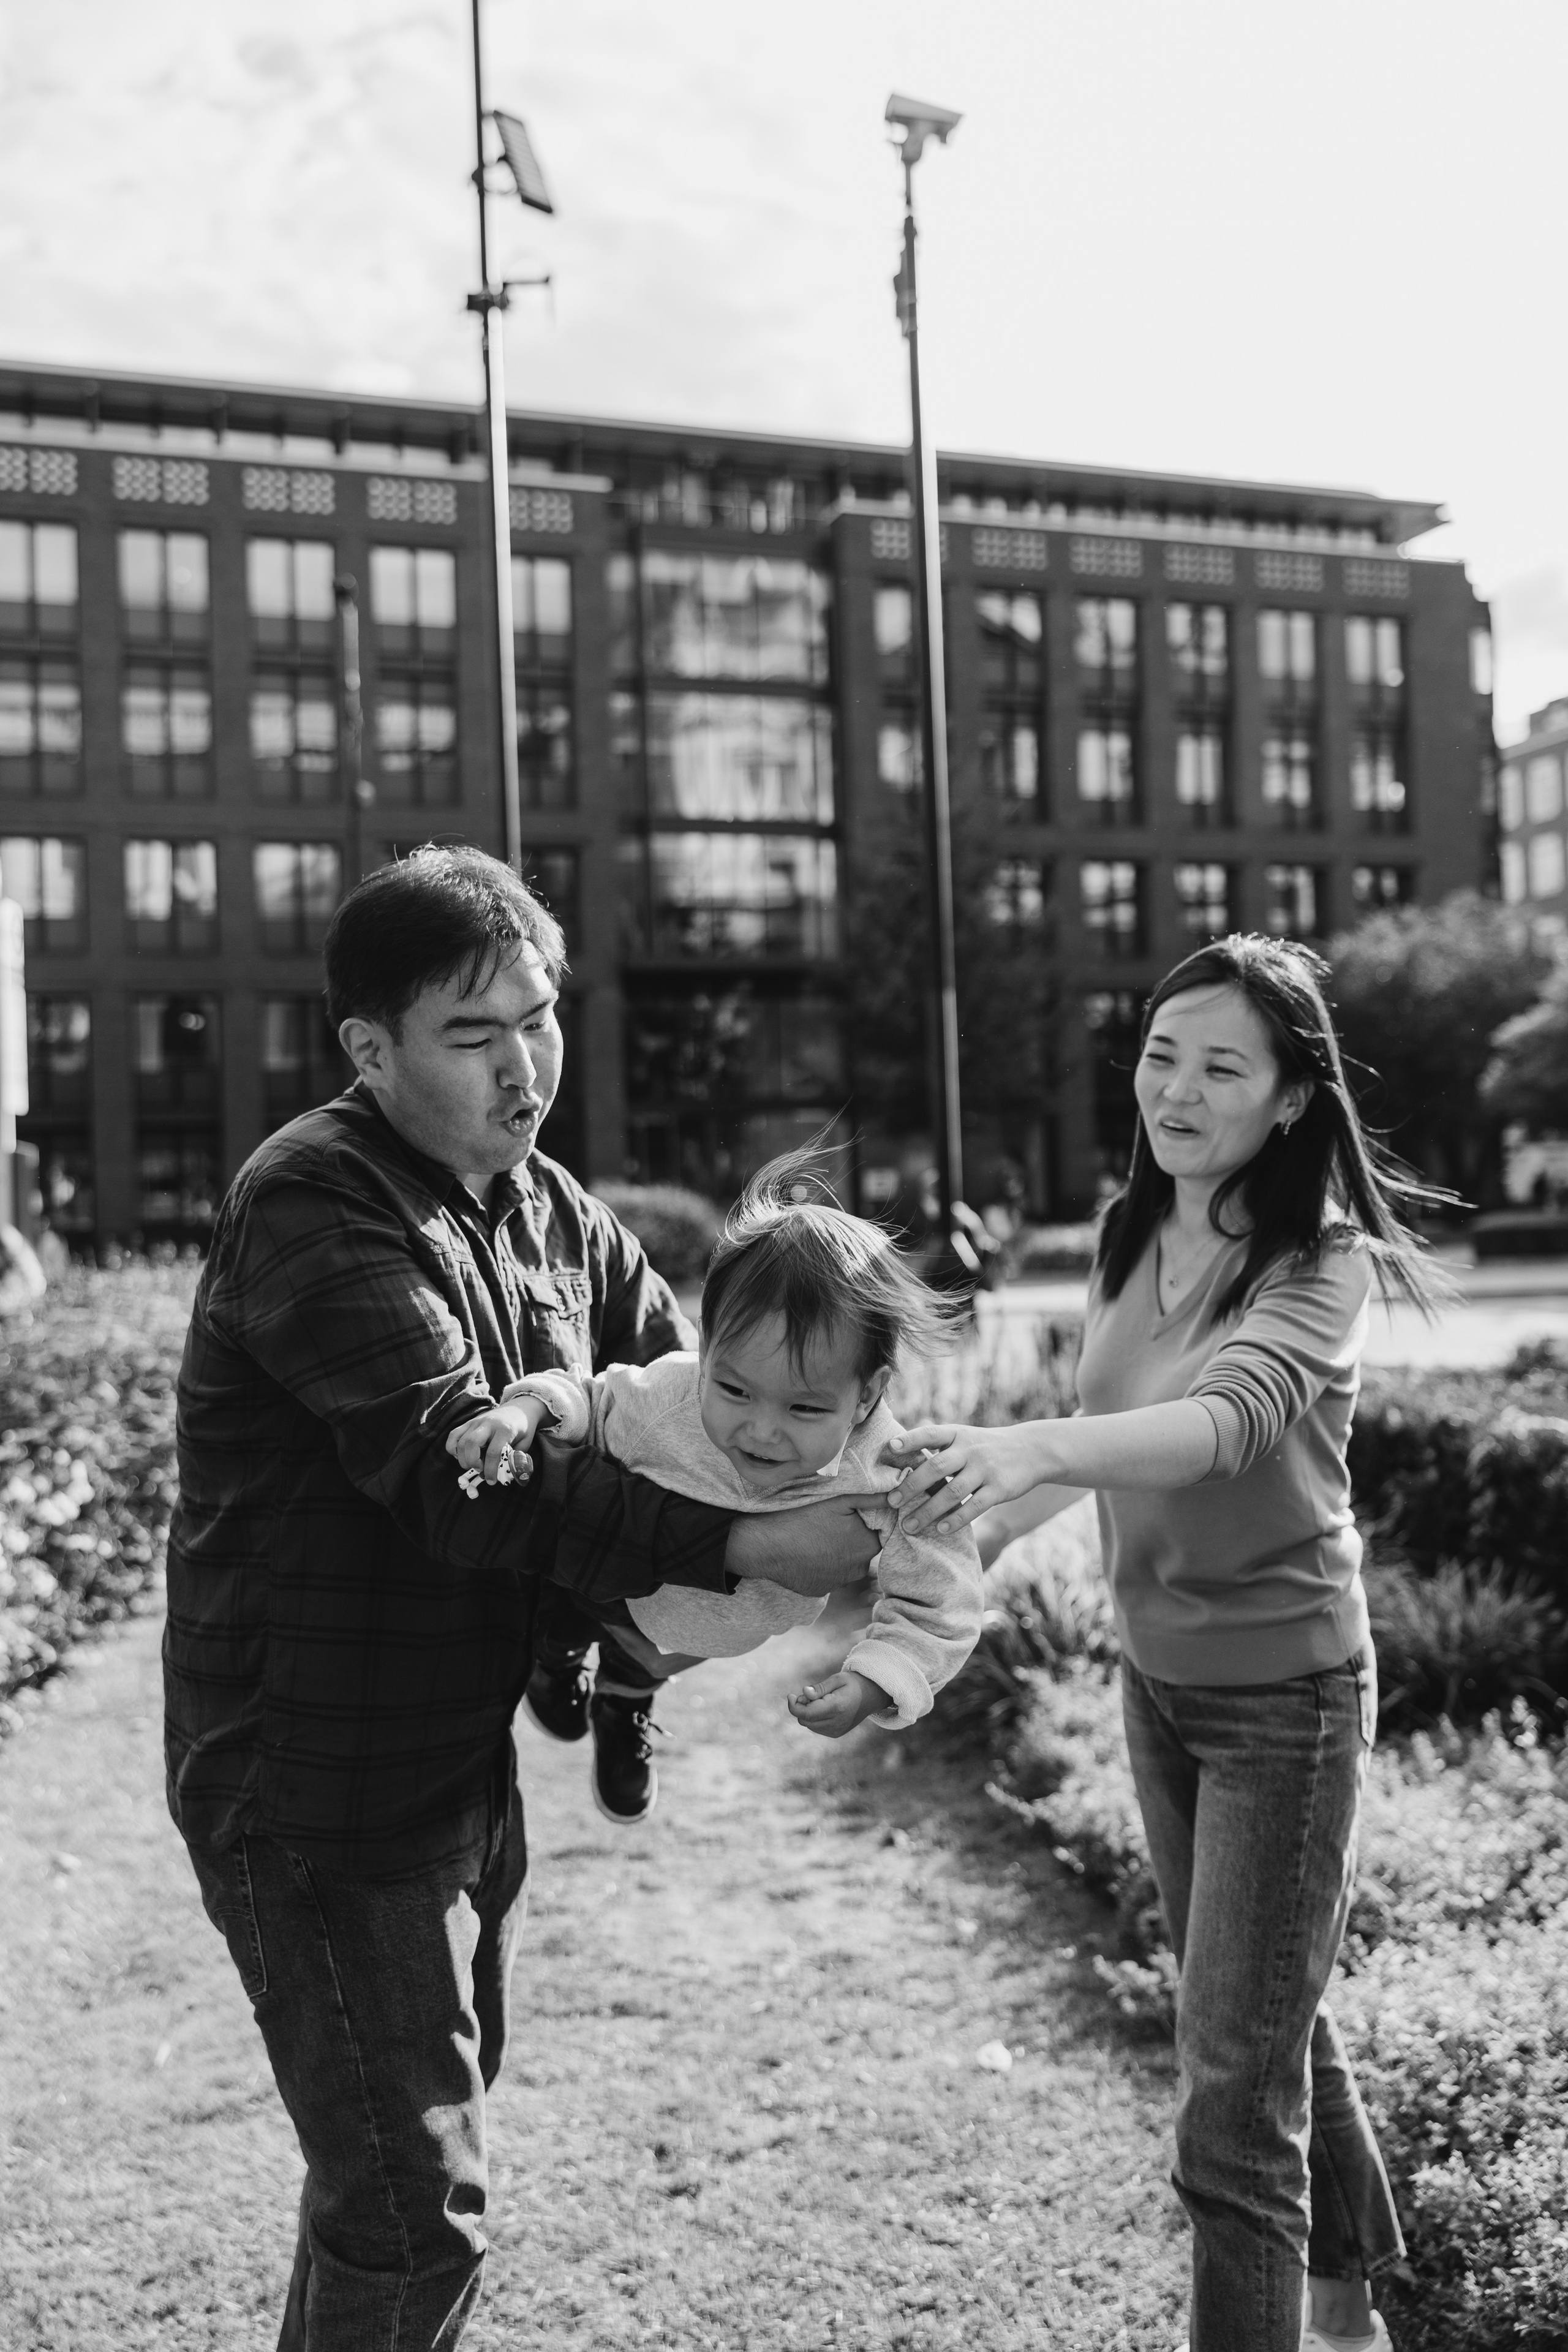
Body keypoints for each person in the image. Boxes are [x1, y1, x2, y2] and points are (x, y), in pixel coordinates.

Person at [164, 846, 881, 2352]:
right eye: (474, 1033)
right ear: (371, 1049)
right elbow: (466, 1481)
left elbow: (681, 1410)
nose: (525, 1065)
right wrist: (760, 1556)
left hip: (458, 1763)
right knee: (414, 2214)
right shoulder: (310, 1198)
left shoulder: (553, 1206)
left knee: (388, 2172)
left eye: (539, 1018)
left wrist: (839, 1473)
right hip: (314, 1784)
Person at [888, 934, 1436, 2352]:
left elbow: (1219, 1428)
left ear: (1288, 1100)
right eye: (1157, 1054)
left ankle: (1316, 2307)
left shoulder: (1322, 1265)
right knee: (1259, 2009)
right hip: (1160, 1687)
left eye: (1219, 1066)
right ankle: (1348, 2302)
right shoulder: (1132, 1235)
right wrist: (941, 1563)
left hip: (1288, 1704)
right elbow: (1092, 1460)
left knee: (1226, 2096)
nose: (1175, 1091)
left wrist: (1017, 1444)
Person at [445, 1155, 984, 1797]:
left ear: (865, 1398)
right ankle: (557, 1653)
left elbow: (940, 1600)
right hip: (618, 1587)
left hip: (712, 1630)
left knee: (648, 1663)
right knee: (571, 1583)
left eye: (804, 1408)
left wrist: (876, 1681)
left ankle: (625, 1699)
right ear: (707, 1352)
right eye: (732, 1389)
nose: (759, 1430)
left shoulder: (892, 1475)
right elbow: (591, 1397)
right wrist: (526, 1408)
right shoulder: (675, 1390)